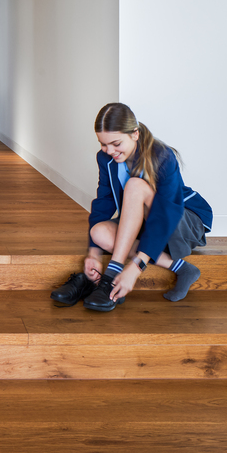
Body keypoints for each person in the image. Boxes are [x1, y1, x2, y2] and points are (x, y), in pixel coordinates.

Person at [50, 102, 213, 312]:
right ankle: (183, 268)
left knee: (135, 185)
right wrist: (93, 254)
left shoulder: (162, 156)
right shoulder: (105, 158)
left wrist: (135, 268)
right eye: (103, 144)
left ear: (135, 134)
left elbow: (166, 214)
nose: (110, 151)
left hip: (181, 221)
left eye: (116, 143)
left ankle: (111, 276)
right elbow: (104, 201)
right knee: (98, 232)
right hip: (148, 222)